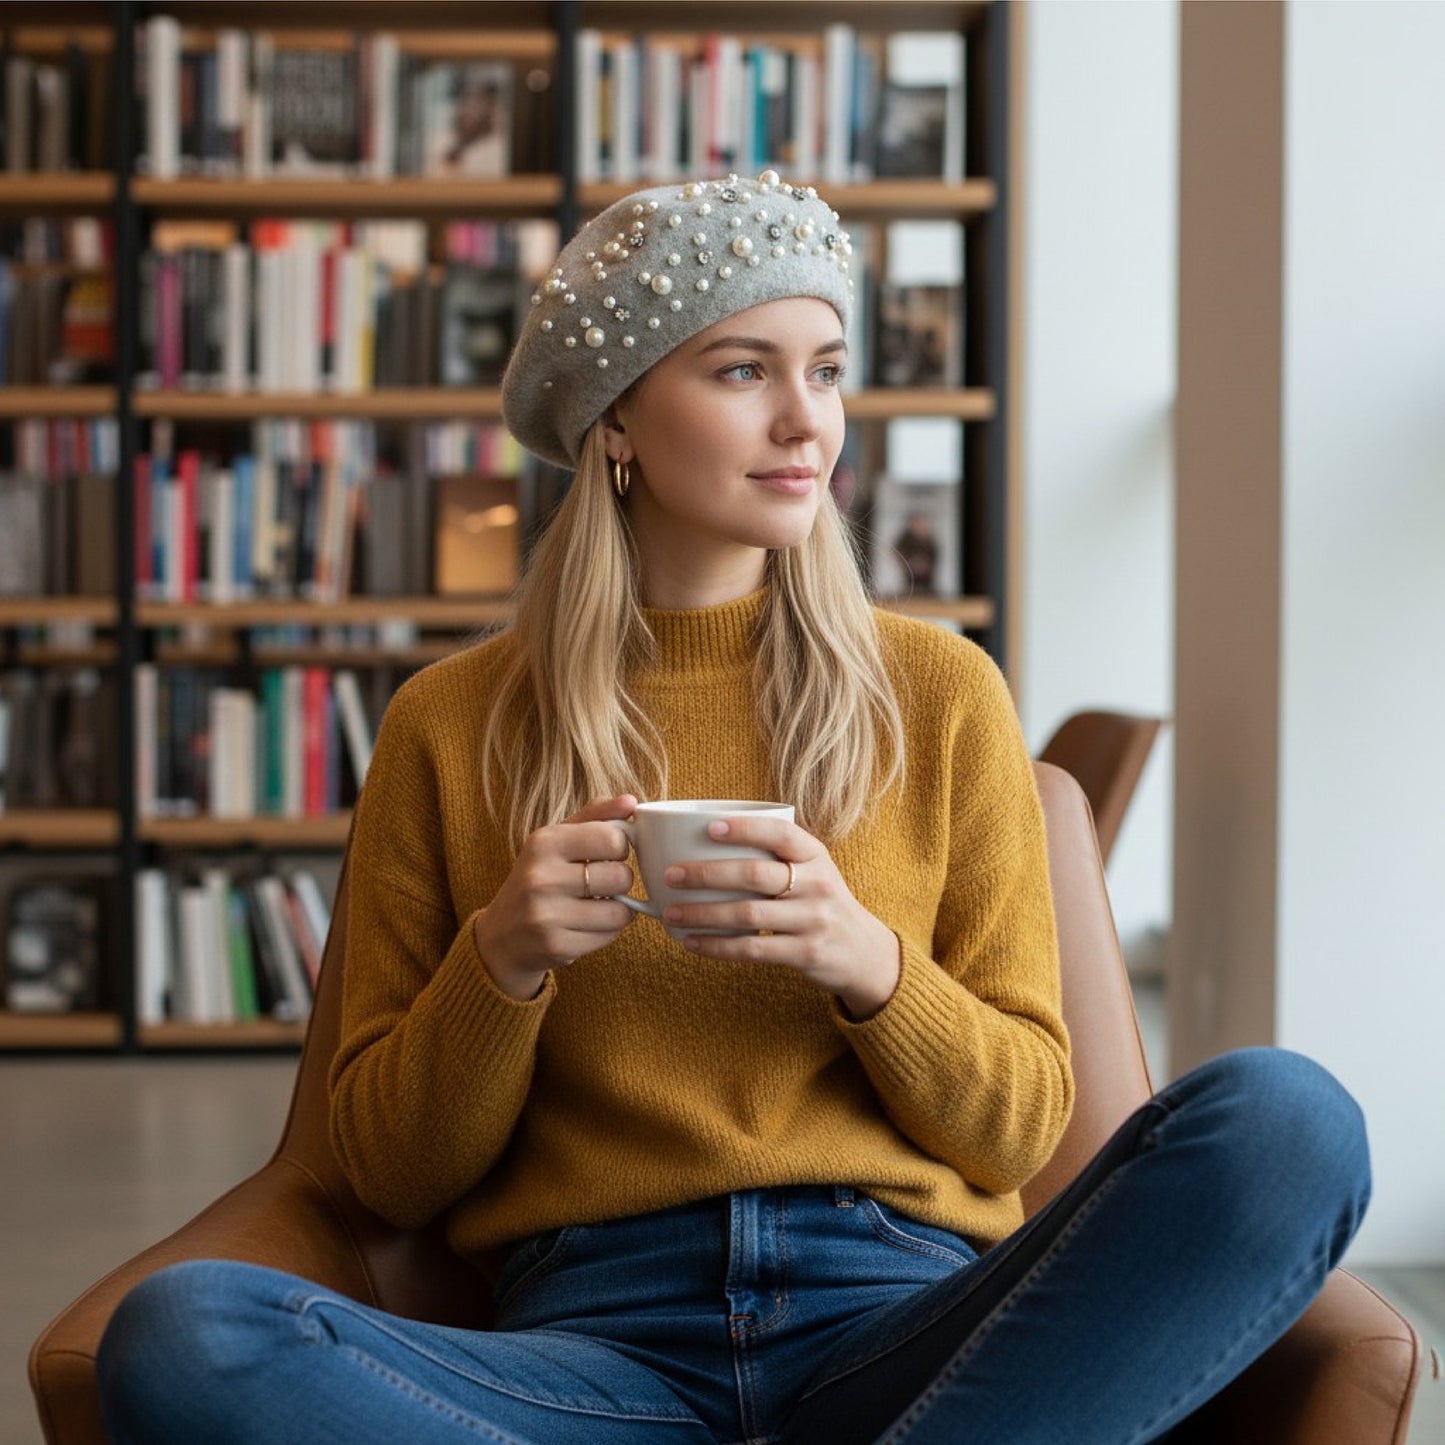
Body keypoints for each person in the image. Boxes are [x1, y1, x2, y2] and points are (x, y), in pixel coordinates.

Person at [96, 172, 1370, 1444]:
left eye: (823, 370)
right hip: (595, 1352)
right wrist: (503, 959)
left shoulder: (938, 692)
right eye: (741, 370)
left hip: (903, 1333)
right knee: (184, 1331)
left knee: (1287, 1122)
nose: (802, 421)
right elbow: (385, 1171)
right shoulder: (450, 722)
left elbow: (1022, 1126)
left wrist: (866, 961)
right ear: (615, 423)